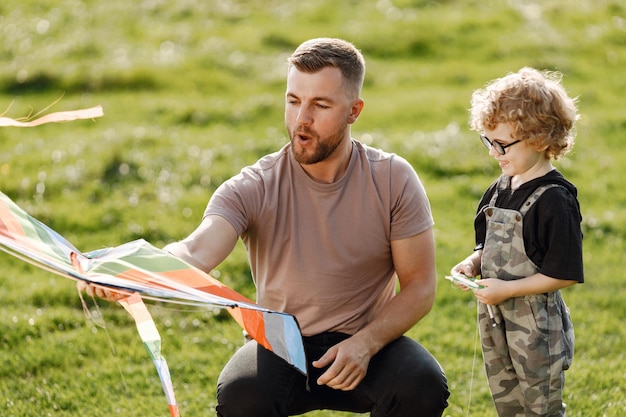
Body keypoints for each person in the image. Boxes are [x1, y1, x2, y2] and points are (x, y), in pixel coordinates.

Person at [88, 38, 449, 416]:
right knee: (241, 394)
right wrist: (134, 266)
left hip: (363, 345)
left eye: (320, 105)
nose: (301, 119)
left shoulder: (393, 179)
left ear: (353, 111)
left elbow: (420, 285)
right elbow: (195, 251)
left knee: (422, 385)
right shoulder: (254, 185)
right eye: (293, 101)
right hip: (281, 348)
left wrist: (366, 343)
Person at [450, 67, 584, 417]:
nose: (494, 152)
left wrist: (507, 290)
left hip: (536, 328)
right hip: (496, 320)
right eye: (488, 141)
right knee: (508, 404)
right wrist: (472, 263)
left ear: (539, 137)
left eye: (503, 144)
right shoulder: (499, 188)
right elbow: (487, 246)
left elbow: (565, 273)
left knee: (540, 407)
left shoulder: (555, 200)